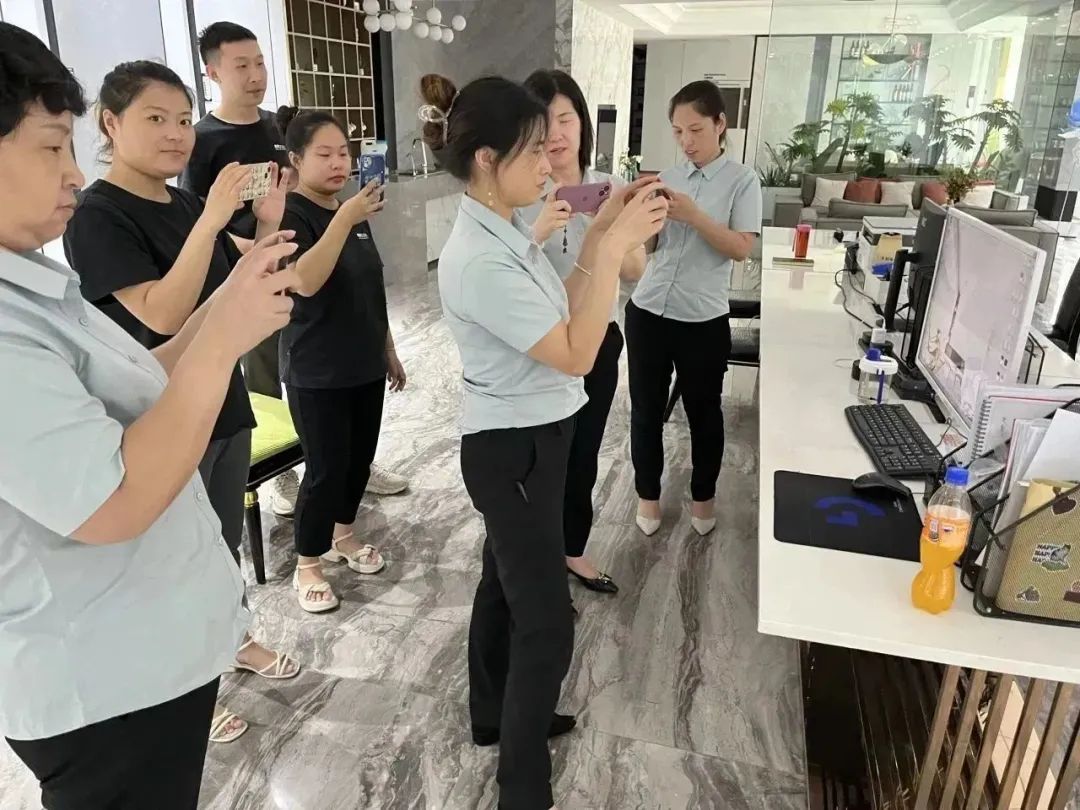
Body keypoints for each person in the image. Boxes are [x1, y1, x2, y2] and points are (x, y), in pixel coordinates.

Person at [0, 22, 298, 809]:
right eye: (51, 147)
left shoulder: (33, 282)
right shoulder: (82, 237)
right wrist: (220, 335)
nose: (72, 173)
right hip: (103, 678)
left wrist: (227, 311)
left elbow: (140, 376)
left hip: (146, 648)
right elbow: (114, 500)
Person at [422, 72, 668, 810]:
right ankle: (522, 789)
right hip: (514, 449)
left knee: (505, 585)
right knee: (547, 625)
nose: (549, 160)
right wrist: (613, 243)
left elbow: (558, 307)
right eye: (533, 150)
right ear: (487, 159)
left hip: (530, 438)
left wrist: (597, 236)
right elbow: (575, 352)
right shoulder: (481, 256)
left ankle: (492, 715)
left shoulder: (505, 229)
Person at [63, 60, 300, 744]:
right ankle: (188, 682)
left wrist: (267, 222)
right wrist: (216, 217)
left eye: (182, 119)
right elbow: (164, 313)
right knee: (169, 558)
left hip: (220, 398)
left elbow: (238, 282)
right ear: (110, 124)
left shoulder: (189, 206)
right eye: (155, 119)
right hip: (157, 415)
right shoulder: (97, 216)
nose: (175, 133)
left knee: (217, 544)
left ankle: (228, 641)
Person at [182, 21, 408, 512]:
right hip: (252, 280)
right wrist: (253, 249)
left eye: (260, 62)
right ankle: (282, 473)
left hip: (306, 262)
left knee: (340, 364)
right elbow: (198, 220)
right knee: (269, 373)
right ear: (213, 73)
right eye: (241, 65)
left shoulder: (277, 129)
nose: (255, 74)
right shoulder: (202, 141)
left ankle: (352, 465)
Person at [521, 69, 648, 599]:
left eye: (566, 119)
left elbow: (635, 270)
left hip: (599, 339)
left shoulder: (609, 188)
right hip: (543, 344)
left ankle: (572, 549)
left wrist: (610, 225)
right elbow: (510, 273)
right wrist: (540, 226)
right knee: (540, 458)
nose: (556, 134)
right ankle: (536, 561)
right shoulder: (521, 194)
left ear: (582, 125)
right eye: (544, 123)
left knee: (583, 452)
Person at [626, 80, 762, 538]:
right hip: (648, 310)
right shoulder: (669, 177)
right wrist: (642, 222)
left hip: (702, 319)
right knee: (645, 411)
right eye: (678, 131)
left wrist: (695, 216)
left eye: (696, 130)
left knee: (705, 414)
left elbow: (741, 248)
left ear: (720, 124)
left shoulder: (742, 181)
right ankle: (647, 496)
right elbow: (653, 246)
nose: (686, 141)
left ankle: (703, 499)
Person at [275, 106, 396, 612]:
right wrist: (345, 218)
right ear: (296, 160)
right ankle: (308, 563)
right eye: (323, 154)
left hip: (364, 363)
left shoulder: (353, 213)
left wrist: (389, 350)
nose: (338, 163)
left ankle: (343, 535)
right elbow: (305, 281)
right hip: (317, 370)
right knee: (324, 470)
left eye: (343, 153)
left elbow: (371, 286)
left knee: (358, 461)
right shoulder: (293, 214)